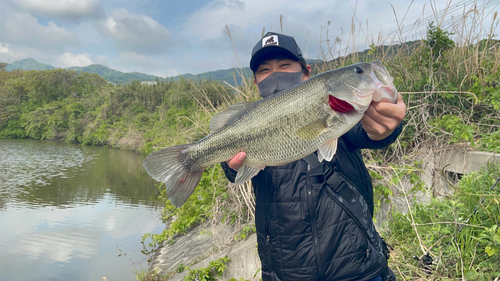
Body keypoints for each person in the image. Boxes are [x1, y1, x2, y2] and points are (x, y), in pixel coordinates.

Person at [221, 32, 406, 281]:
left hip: (357, 267)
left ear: (306, 71)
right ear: (255, 83)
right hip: (286, 273)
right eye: (264, 70)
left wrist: (384, 127)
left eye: (285, 65)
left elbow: (368, 133)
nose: (274, 74)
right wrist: (229, 166)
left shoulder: (342, 112)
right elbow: (234, 168)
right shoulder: (250, 122)